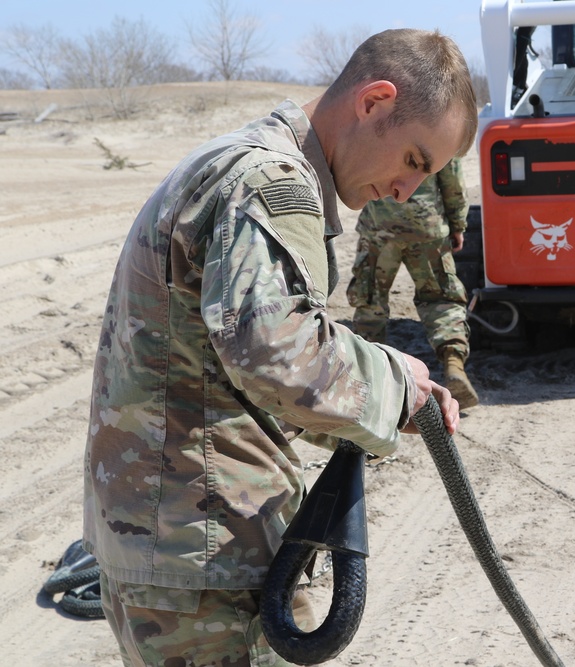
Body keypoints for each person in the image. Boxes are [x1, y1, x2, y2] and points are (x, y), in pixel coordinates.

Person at [81, 28, 478, 666]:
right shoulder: (271, 179)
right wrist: (396, 382)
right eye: (413, 159)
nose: (407, 191)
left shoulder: (239, 159)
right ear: (374, 102)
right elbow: (274, 352)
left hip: (170, 541)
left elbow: (227, 356)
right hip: (207, 553)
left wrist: (390, 381)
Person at [346, 157, 480, 410]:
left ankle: (372, 379)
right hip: (427, 226)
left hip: (380, 226)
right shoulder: (436, 122)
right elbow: (452, 181)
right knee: (440, 297)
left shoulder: (374, 121)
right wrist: (457, 224)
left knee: (370, 301)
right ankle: (454, 365)